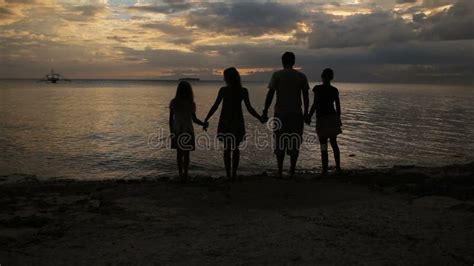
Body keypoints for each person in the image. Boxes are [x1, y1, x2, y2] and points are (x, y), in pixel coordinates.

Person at [205, 67, 264, 180]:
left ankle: (229, 174)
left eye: (225, 76)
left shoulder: (224, 90)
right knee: (235, 148)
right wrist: (259, 117)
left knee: (227, 149)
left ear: (227, 78)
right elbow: (250, 108)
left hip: (226, 121)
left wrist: (206, 118)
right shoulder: (242, 91)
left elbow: (215, 106)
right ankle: (233, 174)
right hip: (237, 121)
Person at [262, 52, 310, 179]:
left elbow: (270, 94)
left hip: (280, 114)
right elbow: (305, 97)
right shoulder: (301, 76)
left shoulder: (277, 75)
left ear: (282, 62)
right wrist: (306, 113)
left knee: (280, 142)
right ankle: (292, 171)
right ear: (293, 61)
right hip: (296, 114)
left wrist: (265, 110)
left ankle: (279, 170)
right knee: (294, 142)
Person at [169, 81, 208, 182]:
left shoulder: (174, 102)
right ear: (189, 91)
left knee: (179, 154)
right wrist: (203, 124)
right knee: (186, 154)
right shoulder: (191, 103)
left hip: (177, 130)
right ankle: (185, 173)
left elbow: (170, 120)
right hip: (188, 131)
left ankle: (180, 173)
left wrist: (172, 132)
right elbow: (194, 120)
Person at [306, 68, 342, 175]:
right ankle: (338, 167)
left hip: (322, 119)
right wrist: (338, 118)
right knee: (334, 143)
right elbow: (338, 106)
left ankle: (325, 170)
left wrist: (308, 116)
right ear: (331, 78)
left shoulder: (317, 88)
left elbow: (315, 104)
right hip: (332, 118)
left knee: (323, 144)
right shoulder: (334, 90)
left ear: (322, 77)